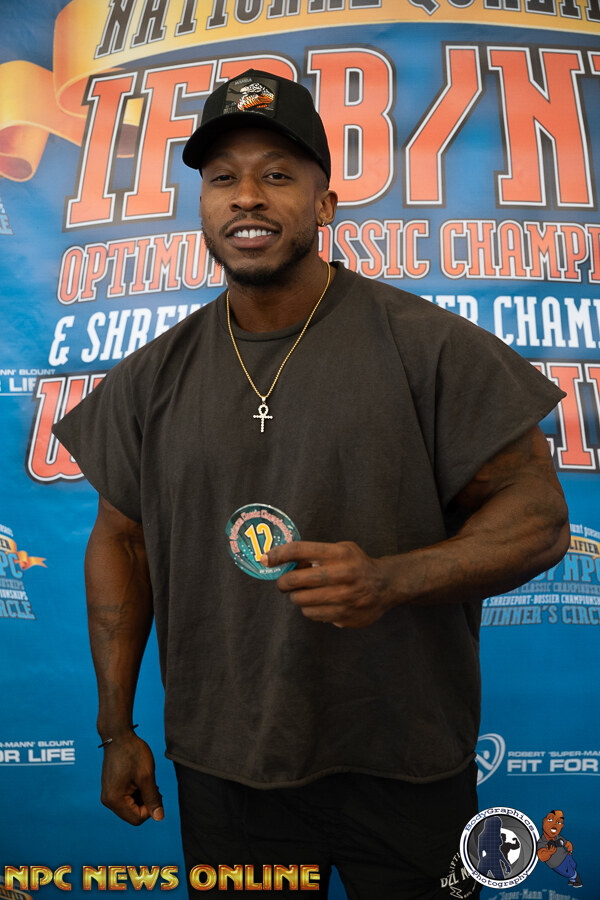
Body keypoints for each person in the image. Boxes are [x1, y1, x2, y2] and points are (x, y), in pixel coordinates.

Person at [53, 69, 570, 899]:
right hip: (226, 770)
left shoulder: (426, 345)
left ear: (325, 205)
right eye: (222, 178)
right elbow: (122, 540)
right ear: (203, 205)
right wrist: (117, 730)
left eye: (277, 174)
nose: (246, 196)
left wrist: (392, 579)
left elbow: (540, 518)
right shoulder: (152, 376)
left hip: (406, 766)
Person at [537, 810, 583, 888]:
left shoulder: (558, 837)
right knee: (569, 873)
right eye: (550, 819)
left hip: (566, 856)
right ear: (544, 821)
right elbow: (541, 856)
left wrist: (570, 851)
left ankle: (572, 880)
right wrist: (549, 853)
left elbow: (567, 843)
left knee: (573, 865)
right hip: (557, 864)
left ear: (562, 826)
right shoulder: (542, 842)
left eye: (558, 822)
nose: (554, 824)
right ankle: (576, 878)